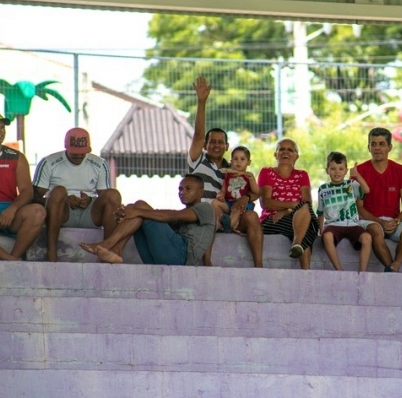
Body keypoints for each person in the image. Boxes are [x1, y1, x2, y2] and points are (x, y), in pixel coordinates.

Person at [188, 76, 263, 267]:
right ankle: (206, 262)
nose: (216, 145)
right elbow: (197, 135)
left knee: (253, 216)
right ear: (205, 145)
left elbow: (254, 192)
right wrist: (201, 102)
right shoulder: (197, 161)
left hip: (230, 214)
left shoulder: (234, 169)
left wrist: (246, 198)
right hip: (204, 214)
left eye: (220, 142)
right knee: (210, 206)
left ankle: (260, 266)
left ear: (227, 146)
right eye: (212, 141)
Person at [79, 174, 215, 265]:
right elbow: (164, 220)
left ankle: (108, 244)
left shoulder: (205, 208)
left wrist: (136, 211)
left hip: (181, 257)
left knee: (139, 207)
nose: (182, 192)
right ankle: (116, 251)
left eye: (188, 189)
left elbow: (174, 215)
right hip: (158, 257)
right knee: (136, 209)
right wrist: (128, 212)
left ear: (200, 192)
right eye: (180, 189)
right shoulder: (187, 212)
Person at [32, 128, 123, 262]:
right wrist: (64, 199)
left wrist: (90, 199)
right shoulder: (49, 162)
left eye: (83, 153)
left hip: (90, 214)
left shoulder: (100, 164)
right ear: (66, 147)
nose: (79, 156)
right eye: (75, 153)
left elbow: (106, 198)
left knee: (114, 195)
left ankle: (106, 251)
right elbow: (33, 196)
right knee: (58, 191)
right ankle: (52, 253)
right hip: (62, 213)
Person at [356, 127, 402, 272]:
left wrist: (395, 222)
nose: (377, 148)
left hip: (393, 221)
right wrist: (381, 222)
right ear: (368, 147)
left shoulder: (401, 171)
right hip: (369, 221)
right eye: (373, 144)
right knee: (376, 229)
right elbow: (359, 208)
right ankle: (392, 270)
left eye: (381, 144)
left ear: (389, 147)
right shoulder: (360, 171)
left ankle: (395, 266)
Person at [258, 138, 319, 270]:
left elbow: (307, 202)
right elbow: (266, 203)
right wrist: (293, 204)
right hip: (272, 220)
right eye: (282, 149)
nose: (285, 152)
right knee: (306, 226)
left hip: (294, 216)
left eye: (290, 150)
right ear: (276, 154)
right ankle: (306, 274)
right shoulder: (266, 172)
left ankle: (297, 243)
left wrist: (286, 211)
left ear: (296, 156)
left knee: (305, 214)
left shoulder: (302, 175)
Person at [0, 114, 46, 261]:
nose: (1, 131)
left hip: (9, 212)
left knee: (38, 212)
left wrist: (12, 209)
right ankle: (11, 260)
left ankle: (14, 257)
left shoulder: (15, 157)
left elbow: (27, 191)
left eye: (2, 127)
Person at [317, 151, 373, 272]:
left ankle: (362, 272)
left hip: (352, 224)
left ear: (346, 171)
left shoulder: (351, 185)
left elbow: (367, 190)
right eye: (333, 169)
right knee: (327, 237)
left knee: (367, 238)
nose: (337, 172)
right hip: (333, 225)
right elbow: (320, 213)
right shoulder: (323, 189)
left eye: (341, 168)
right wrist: (321, 230)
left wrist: (357, 176)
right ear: (327, 171)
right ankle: (339, 270)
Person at [214, 146, 259, 233]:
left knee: (237, 209)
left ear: (248, 162)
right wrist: (220, 195)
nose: (238, 161)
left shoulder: (248, 176)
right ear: (231, 162)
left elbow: (256, 191)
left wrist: (252, 179)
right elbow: (223, 190)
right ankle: (220, 222)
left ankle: (228, 227)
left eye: (242, 159)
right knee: (214, 203)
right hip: (229, 202)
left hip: (243, 205)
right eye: (235, 159)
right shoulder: (228, 175)